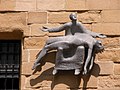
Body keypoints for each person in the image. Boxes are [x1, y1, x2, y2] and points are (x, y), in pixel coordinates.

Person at [32, 13, 106, 75]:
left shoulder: (90, 42)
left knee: (47, 47)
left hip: (68, 43)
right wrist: (48, 30)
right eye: (73, 16)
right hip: (68, 39)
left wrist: (85, 68)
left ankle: (36, 62)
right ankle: (37, 62)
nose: (74, 17)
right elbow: (59, 28)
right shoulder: (70, 25)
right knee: (48, 41)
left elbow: (89, 57)